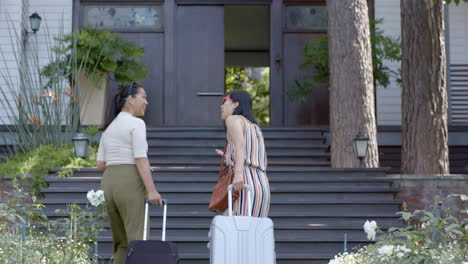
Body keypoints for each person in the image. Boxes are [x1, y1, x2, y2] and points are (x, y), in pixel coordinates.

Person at [96, 82, 162, 264]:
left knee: (121, 242)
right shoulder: (136, 123)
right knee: (137, 239)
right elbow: (141, 158)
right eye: (144, 97)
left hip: (109, 182)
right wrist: (151, 190)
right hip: (129, 181)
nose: (146, 102)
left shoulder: (108, 128)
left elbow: (101, 163)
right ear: (131, 99)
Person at [217, 90, 270, 217]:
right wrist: (228, 156)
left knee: (234, 230)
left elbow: (240, 145)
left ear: (235, 104)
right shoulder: (255, 127)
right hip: (261, 184)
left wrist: (239, 173)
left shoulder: (232, 119)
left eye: (225, 101)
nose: (221, 106)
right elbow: (255, 154)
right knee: (254, 232)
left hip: (243, 182)